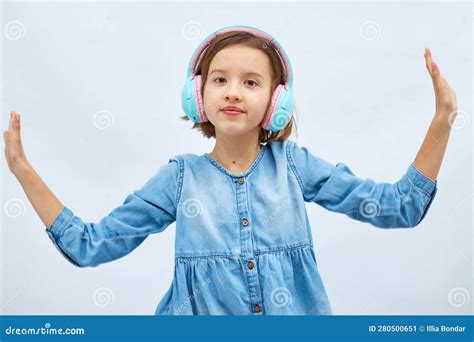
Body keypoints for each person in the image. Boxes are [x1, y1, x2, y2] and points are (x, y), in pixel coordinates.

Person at [3, 25, 457, 315]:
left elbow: (402, 207)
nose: (233, 92)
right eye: (220, 79)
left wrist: (442, 121)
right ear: (197, 96)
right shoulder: (179, 178)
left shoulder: (295, 166)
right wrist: (22, 169)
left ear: (277, 104)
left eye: (251, 82)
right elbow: (90, 245)